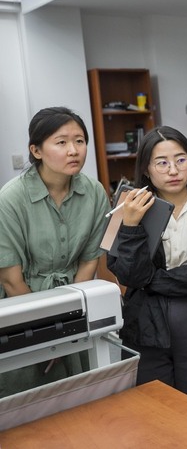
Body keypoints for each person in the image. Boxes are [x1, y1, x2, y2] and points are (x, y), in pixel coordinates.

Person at [106, 126, 187, 411]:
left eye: (181, 159)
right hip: (148, 325)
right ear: (147, 170)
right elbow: (128, 274)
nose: (173, 169)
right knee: (157, 415)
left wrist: (152, 280)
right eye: (162, 162)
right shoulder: (129, 206)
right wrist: (130, 225)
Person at [0, 107, 109, 396]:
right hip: (20, 313)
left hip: (75, 303)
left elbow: (89, 263)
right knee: (26, 404)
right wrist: (46, 336)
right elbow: (12, 281)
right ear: (36, 150)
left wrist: (69, 328)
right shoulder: (11, 199)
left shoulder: (95, 192)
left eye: (80, 141)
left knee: (83, 397)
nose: (74, 150)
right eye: (61, 142)